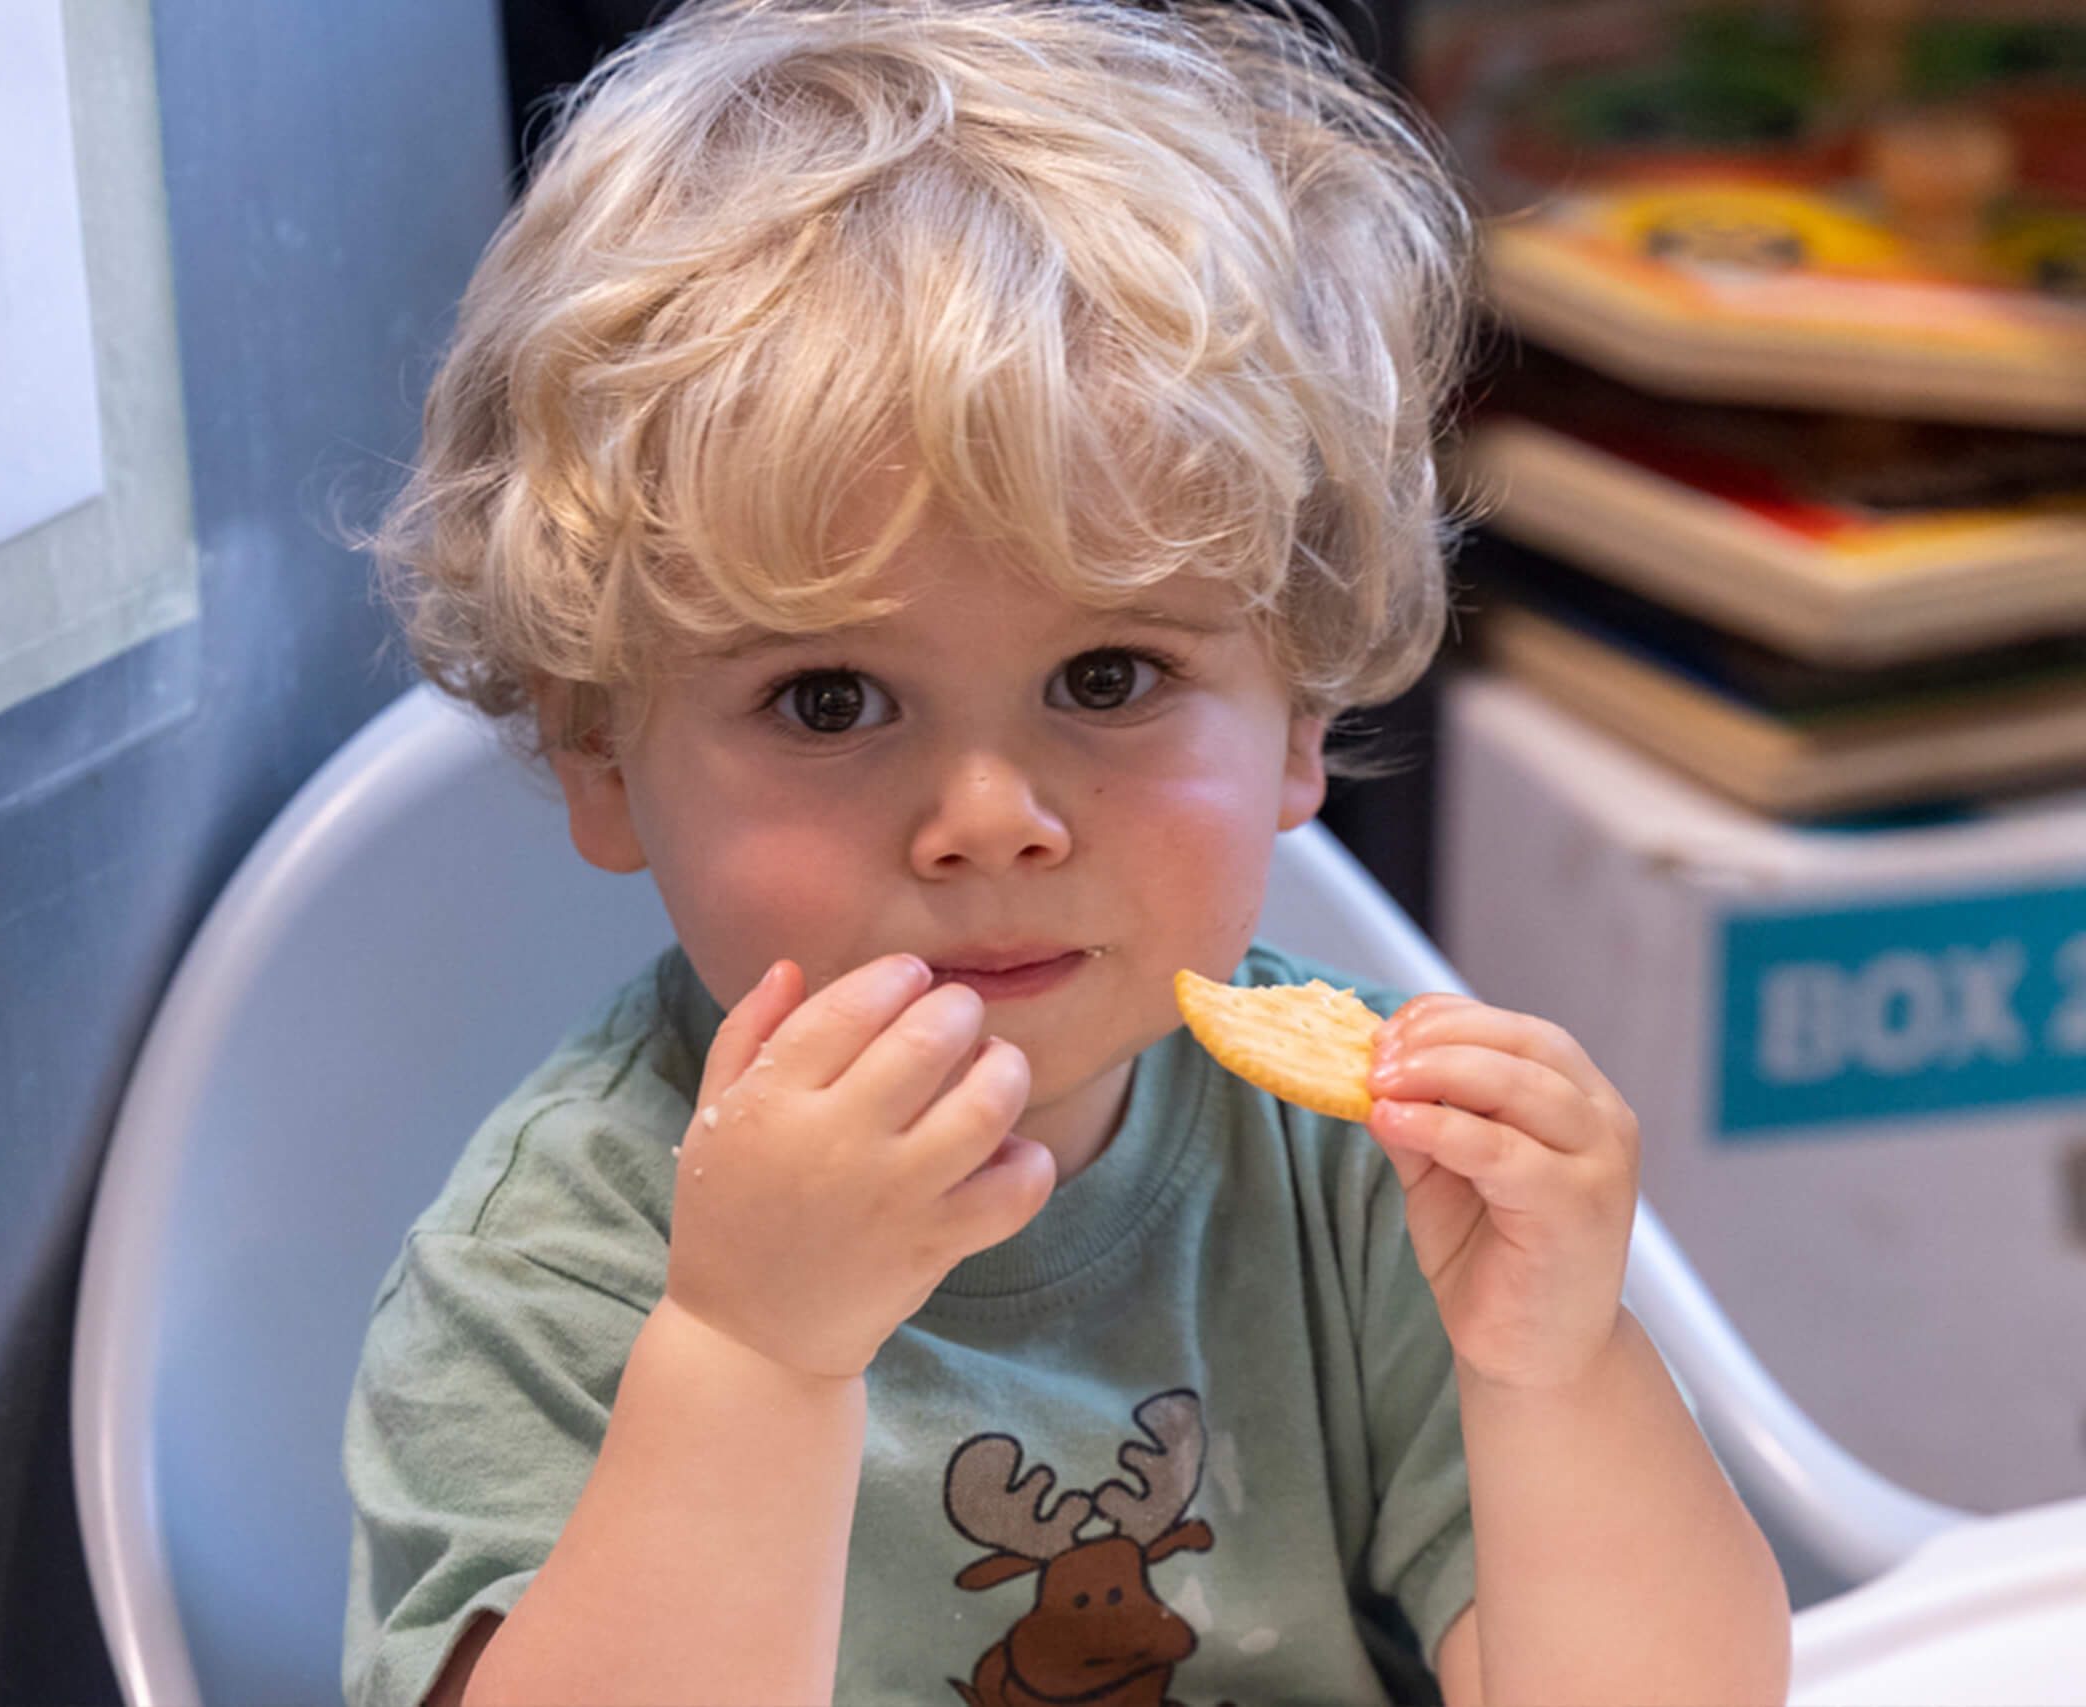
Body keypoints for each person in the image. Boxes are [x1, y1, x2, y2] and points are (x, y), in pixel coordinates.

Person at [345, 2, 1792, 1703]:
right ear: (602, 749)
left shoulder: (1359, 1183)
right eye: (828, 699)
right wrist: (751, 1360)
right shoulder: (560, 1262)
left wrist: (1557, 1368)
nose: (987, 821)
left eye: (1108, 678)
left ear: (1300, 711)